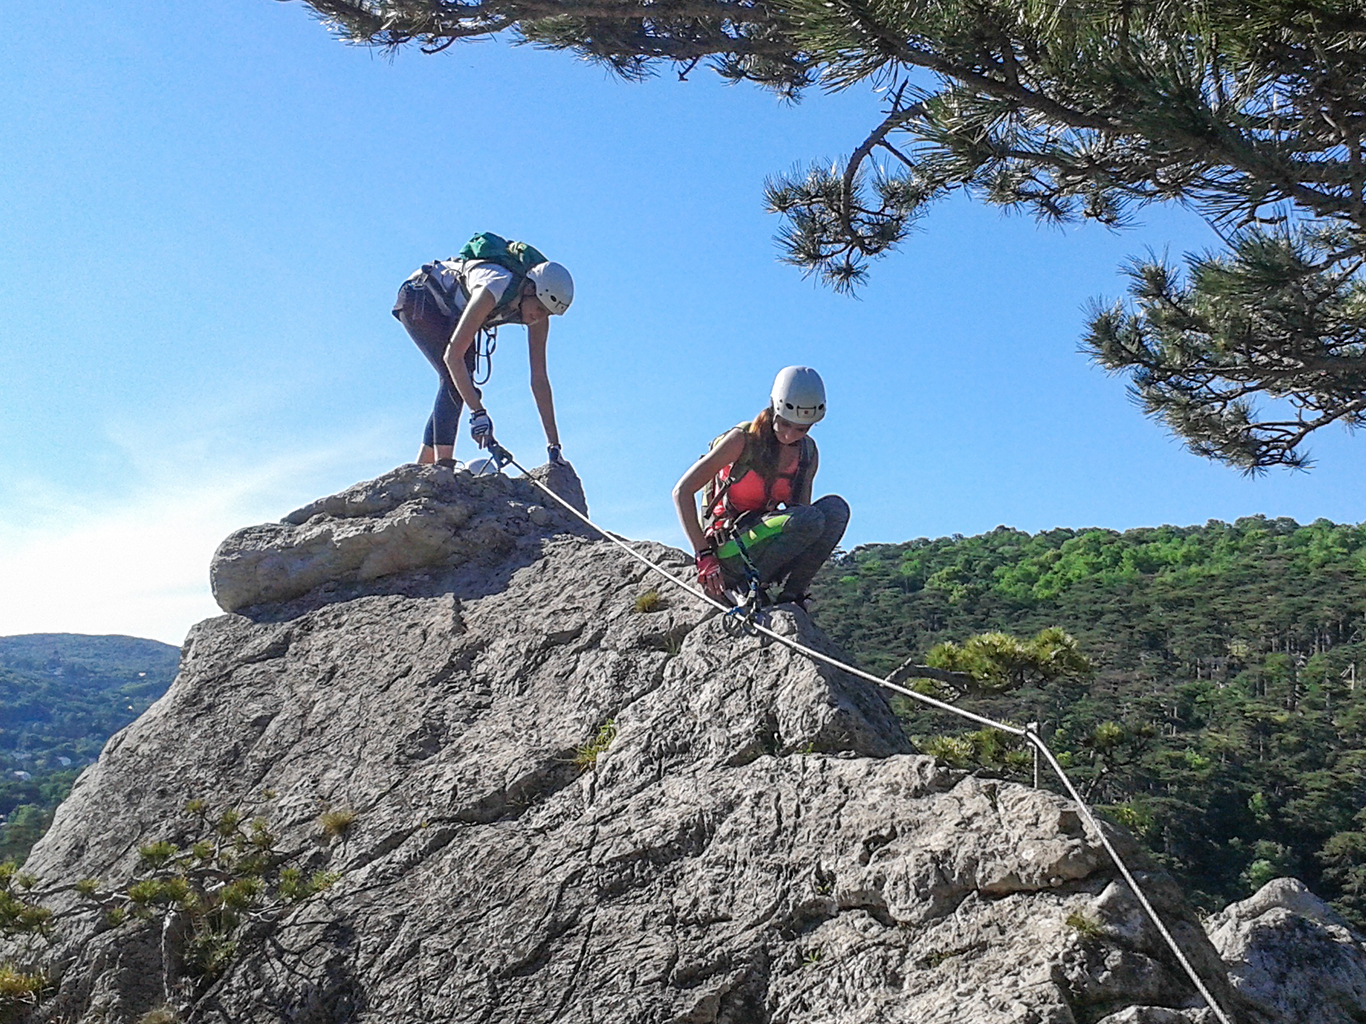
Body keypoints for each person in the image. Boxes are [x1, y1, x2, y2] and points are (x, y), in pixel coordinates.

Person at [673, 366, 850, 610]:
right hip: (729, 548)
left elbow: (804, 519)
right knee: (808, 519)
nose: (790, 435)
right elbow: (682, 492)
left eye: (801, 429)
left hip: (763, 538)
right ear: (774, 409)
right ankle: (744, 583)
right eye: (785, 424)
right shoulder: (743, 440)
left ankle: (791, 596)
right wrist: (703, 555)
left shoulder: (807, 453)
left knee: (835, 510)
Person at [393, 238, 574, 467]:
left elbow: (539, 379)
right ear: (529, 288)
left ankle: (423, 466)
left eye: (547, 314)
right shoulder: (494, 286)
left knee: (461, 381)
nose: (538, 317)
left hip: (451, 311)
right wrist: (478, 413)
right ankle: (442, 466)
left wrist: (554, 446)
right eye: (539, 308)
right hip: (420, 297)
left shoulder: (537, 316)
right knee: (456, 378)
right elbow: (452, 357)